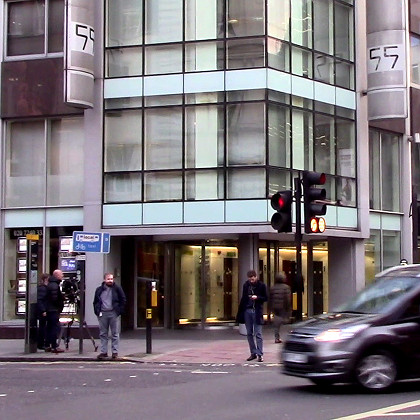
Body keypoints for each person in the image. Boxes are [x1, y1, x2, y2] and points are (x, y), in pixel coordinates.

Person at [93, 273, 126, 360]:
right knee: (103, 334)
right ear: (104, 280)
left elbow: (123, 299)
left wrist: (118, 311)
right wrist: (97, 311)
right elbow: (95, 301)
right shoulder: (99, 290)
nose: (110, 281)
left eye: (111, 279)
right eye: (108, 279)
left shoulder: (117, 288)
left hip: (113, 313)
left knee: (115, 333)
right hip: (102, 313)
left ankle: (115, 352)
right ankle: (103, 352)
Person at [236, 269, 267, 362]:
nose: (251, 280)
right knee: (249, 333)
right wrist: (241, 311)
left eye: (252, 278)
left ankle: (260, 354)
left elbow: (265, 297)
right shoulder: (246, 285)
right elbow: (243, 298)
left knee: (258, 333)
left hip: (256, 311)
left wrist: (257, 297)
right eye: (250, 279)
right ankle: (253, 353)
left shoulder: (261, 285)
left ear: (256, 277)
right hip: (247, 311)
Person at [45, 269, 65, 353]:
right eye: (61, 274)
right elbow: (55, 298)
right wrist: (59, 305)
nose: (62, 276)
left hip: (50, 309)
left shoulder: (52, 284)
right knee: (54, 328)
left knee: (49, 327)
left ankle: (47, 345)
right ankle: (54, 346)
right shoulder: (54, 285)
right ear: (57, 275)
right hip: (53, 310)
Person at [269, 272, 292, 344]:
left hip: (275, 307)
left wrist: (270, 308)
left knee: (277, 323)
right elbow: (288, 299)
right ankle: (289, 337)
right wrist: (289, 308)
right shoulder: (286, 287)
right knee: (285, 321)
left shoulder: (273, 287)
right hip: (283, 307)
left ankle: (277, 337)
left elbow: (270, 298)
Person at [36, 273, 50, 350]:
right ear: (46, 279)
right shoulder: (42, 288)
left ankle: (42, 343)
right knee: (43, 327)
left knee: (43, 327)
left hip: (44, 310)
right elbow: (40, 300)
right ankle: (41, 343)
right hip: (43, 311)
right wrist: (43, 310)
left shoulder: (44, 288)